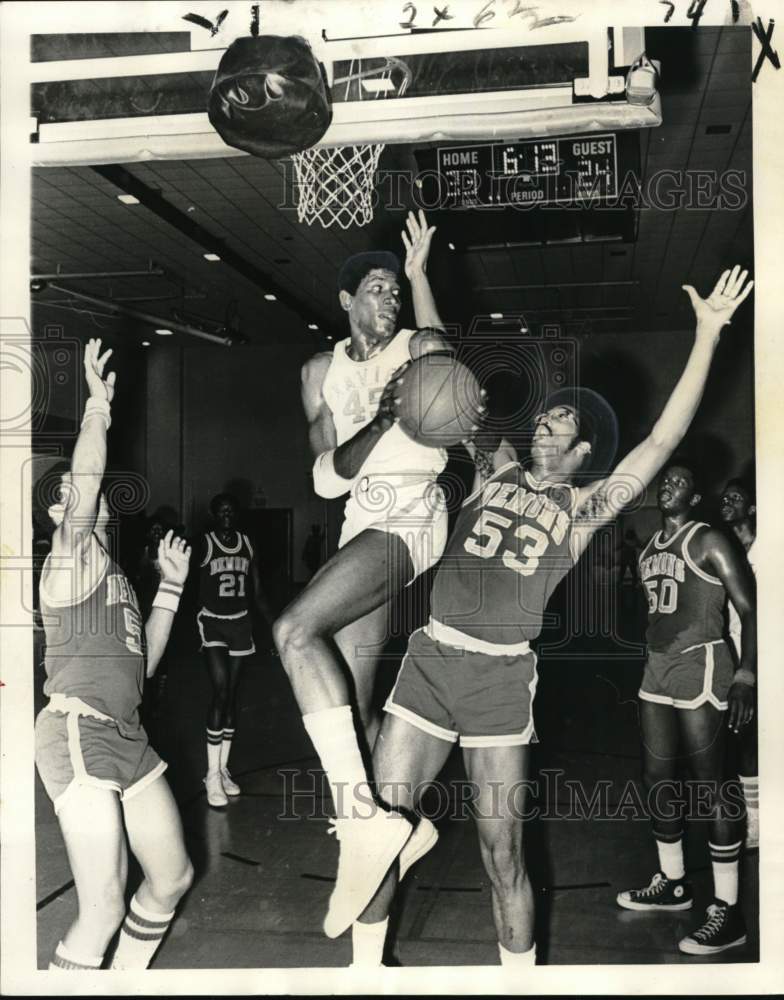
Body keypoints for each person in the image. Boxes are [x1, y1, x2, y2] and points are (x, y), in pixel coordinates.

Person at [348, 265, 754, 967]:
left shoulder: (585, 510)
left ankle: (520, 980)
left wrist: (708, 336)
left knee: (501, 852)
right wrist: (419, 274)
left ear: (583, 451)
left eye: (559, 422)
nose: (544, 423)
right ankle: (363, 974)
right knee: (378, 829)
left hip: (501, 682)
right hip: (431, 659)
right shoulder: (494, 466)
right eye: (544, 415)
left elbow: (659, 441)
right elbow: (444, 371)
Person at [273, 210, 480, 937]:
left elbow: (453, 381)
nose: (389, 299)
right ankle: (390, 834)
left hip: (412, 515)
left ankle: (363, 824)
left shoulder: (418, 347)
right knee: (351, 710)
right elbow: (325, 480)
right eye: (380, 288)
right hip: (360, 521)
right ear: (346, 301)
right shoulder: (319, 372)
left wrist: (423, 276)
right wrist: (385, 421)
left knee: (295, 631)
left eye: (397, 288)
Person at [33, 339, 193, 972]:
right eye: (76, 492)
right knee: (100, 906)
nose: (92, 494)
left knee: (171, 879)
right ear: (61, 507)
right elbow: (88, 479)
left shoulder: (115, 577)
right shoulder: (68, 561)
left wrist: (172, 587)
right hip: (78, 731)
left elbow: (143, 666)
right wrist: (97, 409)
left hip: (127, 732)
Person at [616, 460, 756, 955]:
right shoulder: (650, 549)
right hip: (658, 667)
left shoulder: (710, 539)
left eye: (682, 481)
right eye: (667, 479)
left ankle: (729, 911)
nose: (670, 484)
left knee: (713, 783)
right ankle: (673, 883)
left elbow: (750, 608)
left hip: (703, 663)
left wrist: (746, 674)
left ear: (694, 499)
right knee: (656, 778)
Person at [197, 492, 273, 807]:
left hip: (240, 623)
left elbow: (257, 591)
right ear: (215, 514)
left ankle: (222, 769)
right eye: (222, 510)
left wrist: (274, 627)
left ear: (236, 514)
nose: (227, 514)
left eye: (232, 510)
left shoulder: (247, 543)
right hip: (212, 622)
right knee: (221, 691)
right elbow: (190, 584)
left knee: (232, 697)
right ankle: (211, 774)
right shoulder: (204, 543)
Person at [719, 476, 758, 849]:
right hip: (730, 653)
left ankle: (758, 823)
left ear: (752, 509)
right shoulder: (724, 551)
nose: (727, 501)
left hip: (759, 656)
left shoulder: (767, 551)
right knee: (740, 738)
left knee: (752, 742)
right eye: (724, 497)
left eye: (736, 497)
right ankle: (751, 820)